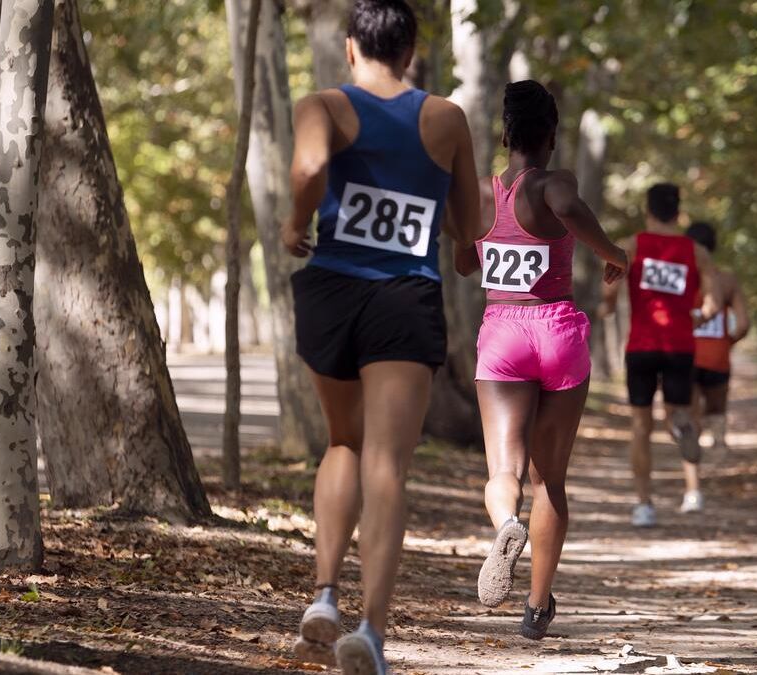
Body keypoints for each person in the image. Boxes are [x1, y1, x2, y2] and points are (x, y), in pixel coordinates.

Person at [280, 1, 480, 671]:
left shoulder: (324, 106)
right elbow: (468, 221)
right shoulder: (446, 117)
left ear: (350, 48)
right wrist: (460, 251)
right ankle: (369, 629)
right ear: (412, 50)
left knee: (343, 440)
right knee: (388, 462)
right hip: (403, 297)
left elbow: (309, 170)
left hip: (331, 289)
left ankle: (324, 592)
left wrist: (295, 222)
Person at [454, 80, 628, 640]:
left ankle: (507, 524)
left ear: (504, 134)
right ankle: (536, 606)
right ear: (550, 135)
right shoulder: (556, 182)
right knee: (550, 478)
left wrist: (477, 241)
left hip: (502, 334)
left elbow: (462, 262)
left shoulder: (480, 192)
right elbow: (570, 208)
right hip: (556, 331)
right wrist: (613, 254)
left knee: (504, 470)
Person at [599, 184, 718, 527]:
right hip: (680, 346)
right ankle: (685, 441)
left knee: (640, 426)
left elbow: (610, 293)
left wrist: (606, 307)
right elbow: (710, 303)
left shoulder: (633, 246)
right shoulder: (697, 252)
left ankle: (643, 505)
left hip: (642, 347)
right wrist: (697, 316)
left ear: (648, 211)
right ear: (679, 213)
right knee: (679, 413)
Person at [684, 222, 749, 507]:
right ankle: (718, 438)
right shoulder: (727, 281)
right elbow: (744, 324)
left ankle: (693, 489)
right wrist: (726, 342)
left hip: (683, 358)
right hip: (717, 360)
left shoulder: (680, 279)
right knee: (716, 412)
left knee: (688, 421)